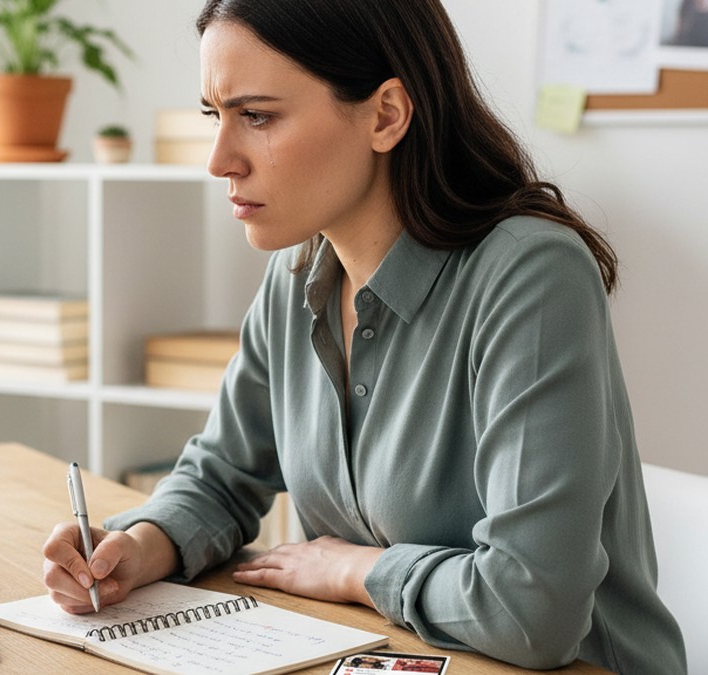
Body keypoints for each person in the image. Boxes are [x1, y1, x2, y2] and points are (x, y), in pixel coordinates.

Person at [40, 0, 688, 672]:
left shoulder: (531, 276)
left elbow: (534, 610)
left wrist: (356, 571)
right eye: (215, 115)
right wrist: (140, 546)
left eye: (256, 116)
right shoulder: (293, 277)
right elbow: (223, 475)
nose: (219, 159)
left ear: (385, 115)